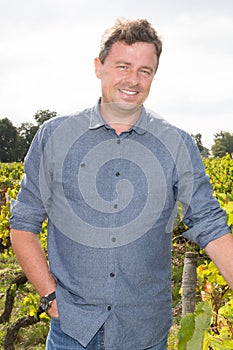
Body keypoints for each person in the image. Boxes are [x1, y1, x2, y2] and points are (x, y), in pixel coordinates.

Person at [10, 18, 233, 350]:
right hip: (73, 331)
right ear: (99, 67)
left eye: (145, 71)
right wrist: (50, 298)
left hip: (144, 333)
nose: (133, 80)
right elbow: (23, 224)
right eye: (123, 66)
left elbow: (209, 224)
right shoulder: (54, 137)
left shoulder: (176, 144)